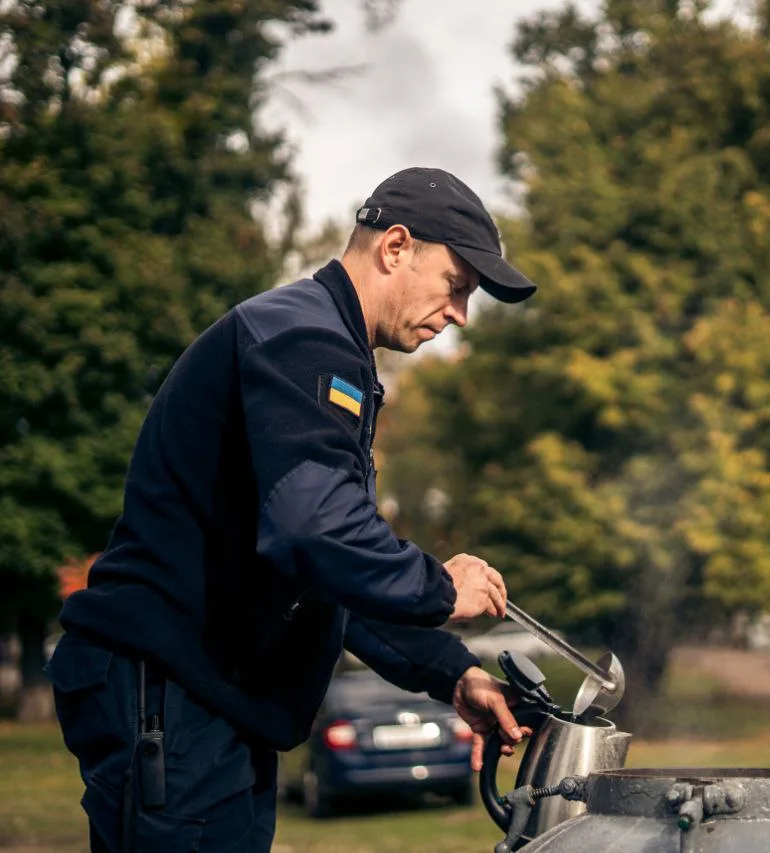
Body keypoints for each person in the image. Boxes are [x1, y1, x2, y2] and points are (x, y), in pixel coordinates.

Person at [46, 167, 540, 852]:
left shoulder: (323, 349)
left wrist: (451, 671)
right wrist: (440, 586)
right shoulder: (302, 339)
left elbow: (323, 574)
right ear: (396, 247)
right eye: (456, 285)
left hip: (212, 703)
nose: (460, 313)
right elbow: (318, 528)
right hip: (170, 696)